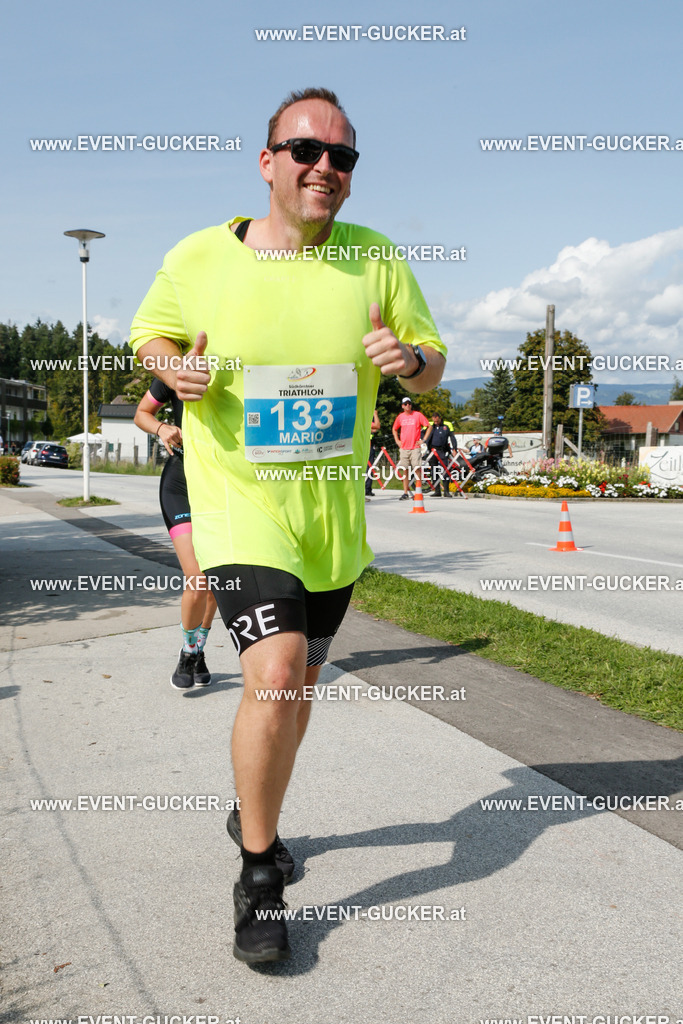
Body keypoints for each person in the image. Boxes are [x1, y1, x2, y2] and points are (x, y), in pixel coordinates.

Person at [130, 87, 446, 964]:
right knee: (273, 673)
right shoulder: (199, 257)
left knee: (296, 689)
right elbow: (149, 341)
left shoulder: (375, 260)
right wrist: (174, 373)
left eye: (343, 157)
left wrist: (410, 361)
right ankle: (259, 874)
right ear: (266, 159)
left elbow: (430, 363)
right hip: (237, 504)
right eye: (306, 150)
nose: (325, 168)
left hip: (331, 518)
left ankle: (250, 804)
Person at [134, 381, 218, 689]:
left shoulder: (241, 363)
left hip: (220, 487)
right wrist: (161, 428)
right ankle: (188, 651)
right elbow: (142, 413)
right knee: (197, 578)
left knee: (215, 582)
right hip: (181, 485)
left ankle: (199, 650)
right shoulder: (177, 367)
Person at [392, 397, 430, 500]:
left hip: (415, 447)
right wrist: (397, 441)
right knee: (405, 470)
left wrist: (424, 440)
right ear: (402, 406)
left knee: (417, 469)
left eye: (409, 403)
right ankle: (405, 493)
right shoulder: (400, 417)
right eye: (405, 404)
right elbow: (394, 429)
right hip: (404, 447)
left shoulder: (417, 415)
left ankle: (418, 491)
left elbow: (428, 426)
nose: (408, 405)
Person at [423, 412, 457, 497]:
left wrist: (454, 449)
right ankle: (437, 491)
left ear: (439, 418)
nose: (435, 422)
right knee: (434, 471)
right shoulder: (430, 425)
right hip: (432, 451)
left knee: (445, 470)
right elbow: (422, 434)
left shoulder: (447, 425)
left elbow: (452, 437)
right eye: (434, 421)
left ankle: (446, 491)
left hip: (443, 451)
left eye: (437, 421)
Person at [365, 408, 381, 498]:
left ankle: (368, 488)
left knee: (369, 468)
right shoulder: (366, 420)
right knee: (366, 467)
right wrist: (375, 414)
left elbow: (374, 429)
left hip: (370, 445)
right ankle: (366, 488)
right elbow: (377, 426)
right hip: (366, 446)